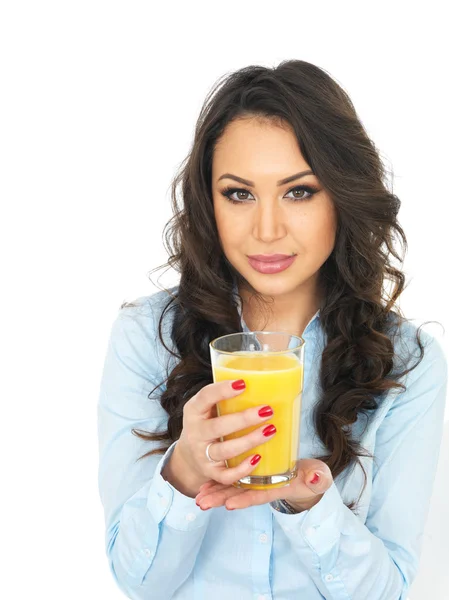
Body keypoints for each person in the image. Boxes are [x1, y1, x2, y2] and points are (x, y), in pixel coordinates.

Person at [97, 60, 448, 600]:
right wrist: (186, 472)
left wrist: (309, 503)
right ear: (208, 203)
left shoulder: (408, 361)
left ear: (342, 195)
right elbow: (137, 580)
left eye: (299, 192)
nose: (266, 230)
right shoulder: (148, 336)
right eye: (239, 193)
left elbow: (388, 591)